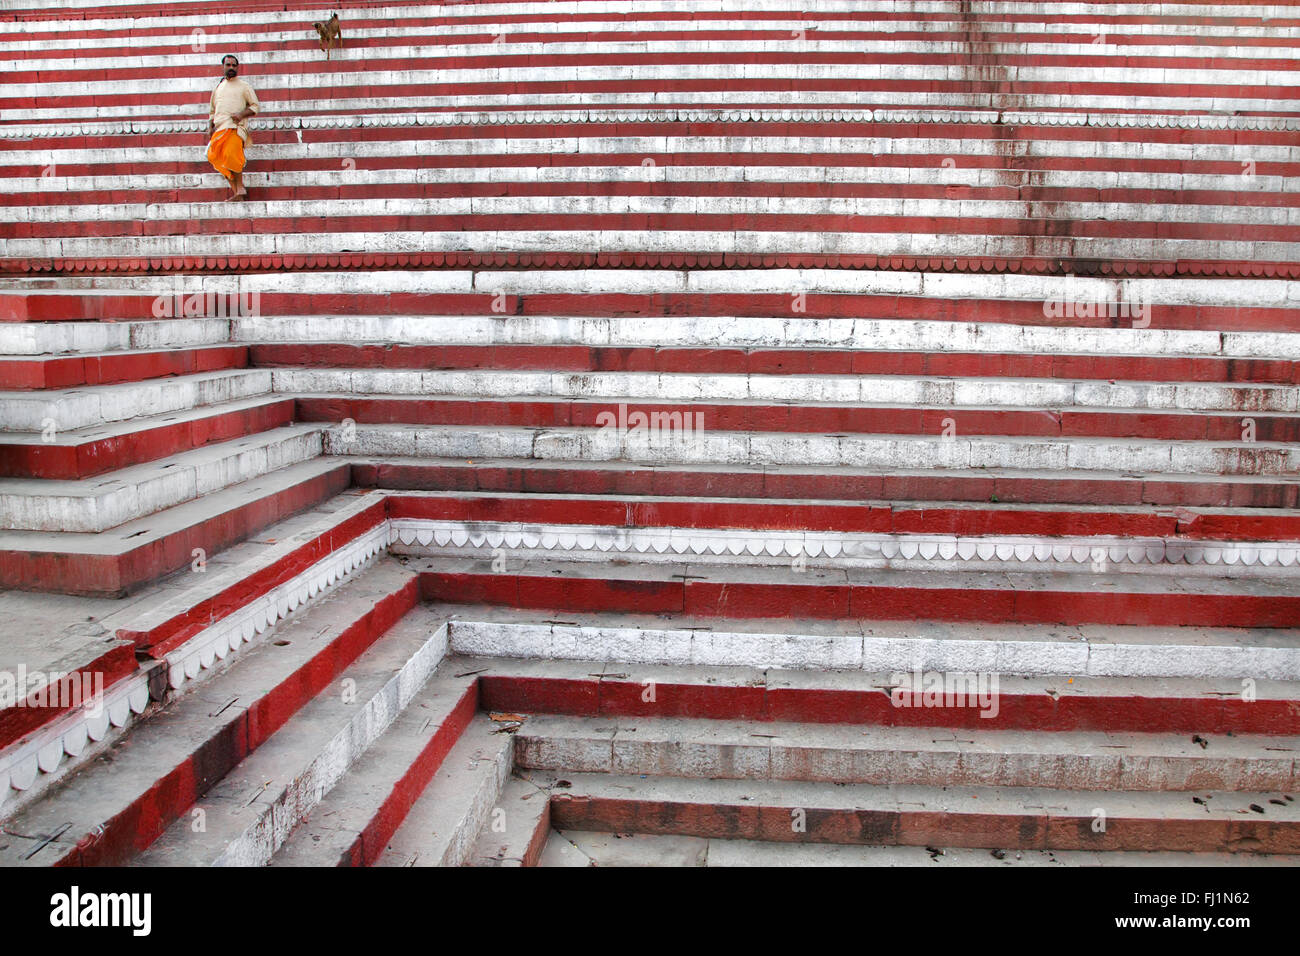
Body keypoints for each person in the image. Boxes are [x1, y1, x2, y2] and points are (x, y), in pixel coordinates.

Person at [207, 55, 260, 201]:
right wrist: (210, 127)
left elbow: (255, 106)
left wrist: (241, 114)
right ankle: (238, 191)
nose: (231, 68)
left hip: (236, 127)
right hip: (219, 129)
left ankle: (240, 188)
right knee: (214, 157)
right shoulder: (218, 88)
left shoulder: (244, 86)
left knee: (232, 156)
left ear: (238, 67)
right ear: (223, 66)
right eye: (228, 65)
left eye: (234, 65)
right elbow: (212, 111)